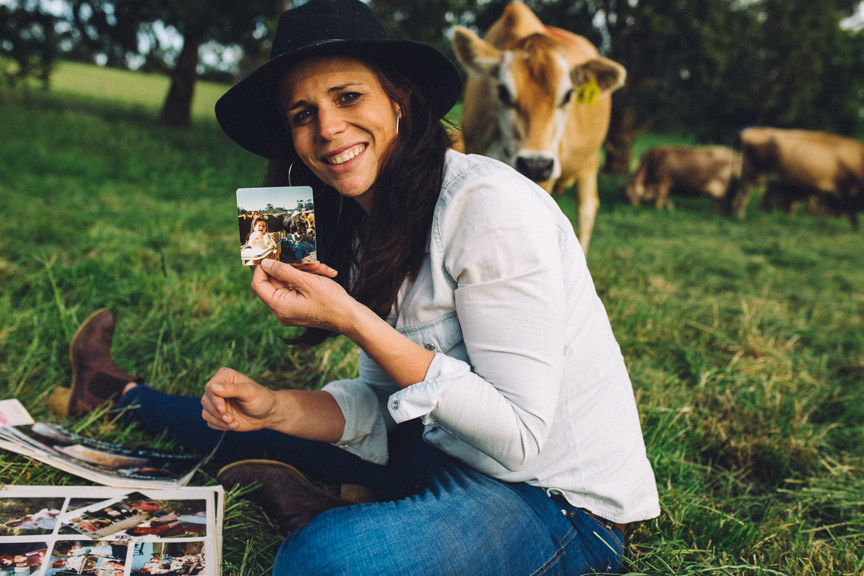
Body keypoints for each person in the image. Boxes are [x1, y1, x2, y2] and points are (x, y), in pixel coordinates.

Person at [47, 0, 660, 574]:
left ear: (398, 101)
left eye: (348, 97)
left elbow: (521, 441)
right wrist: (279, 406)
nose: (329, 129)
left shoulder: (486, 203)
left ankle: (331, 504)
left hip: (555, 503)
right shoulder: (367, 224)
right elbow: (380, 402)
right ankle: (115, 392)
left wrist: (352, 318)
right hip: (441, 453)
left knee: (322, 560)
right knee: (255, 418)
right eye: (303, 114)